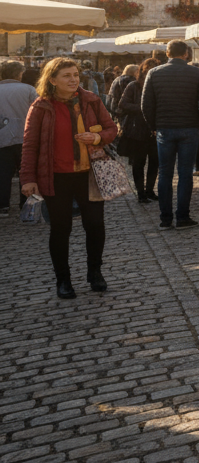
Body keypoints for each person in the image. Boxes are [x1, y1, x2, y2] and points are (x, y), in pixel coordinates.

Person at [19, 57, 118, 299]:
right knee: (61, 229)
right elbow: (30, 145)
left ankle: (95, 272)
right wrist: (27, 178)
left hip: (90, 174)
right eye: (66, 75)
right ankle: (63, 279)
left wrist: (96, 139)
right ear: (52, 80)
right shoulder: (41, 107)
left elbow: (111, 129)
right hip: (56, 176)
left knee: (95, 225)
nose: (73, 79)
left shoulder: (92, 101)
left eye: (75, 74)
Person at [142, 41, 199, 229]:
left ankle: (165, 219)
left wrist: (153, 126)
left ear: (167, 53)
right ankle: (182, 217)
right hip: (189, 127)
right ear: (186, 54)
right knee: (185, 174)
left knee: (164, 173)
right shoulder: (196, 73)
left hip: (164, 127)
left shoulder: (154, 73)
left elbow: (146, 104)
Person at [118, 58, 160, 203]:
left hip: (155, 129)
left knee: (155, 162)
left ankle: (149, 190)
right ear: (142, 71)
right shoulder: (134, 86)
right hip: (137, 129)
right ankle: (140, 192)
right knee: (138, 163)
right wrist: (143, 108)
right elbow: (123, 104)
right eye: (147, 69)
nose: (149, 72)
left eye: (153, 69)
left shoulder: (159, 86)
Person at [0, 61, 37, 215]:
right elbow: (38, 112)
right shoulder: (28, 89)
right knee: (26, 172)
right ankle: (26, 204)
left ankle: (3, 206)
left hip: (2, 138)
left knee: (3, 173)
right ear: (18, 74)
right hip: (26, 137)